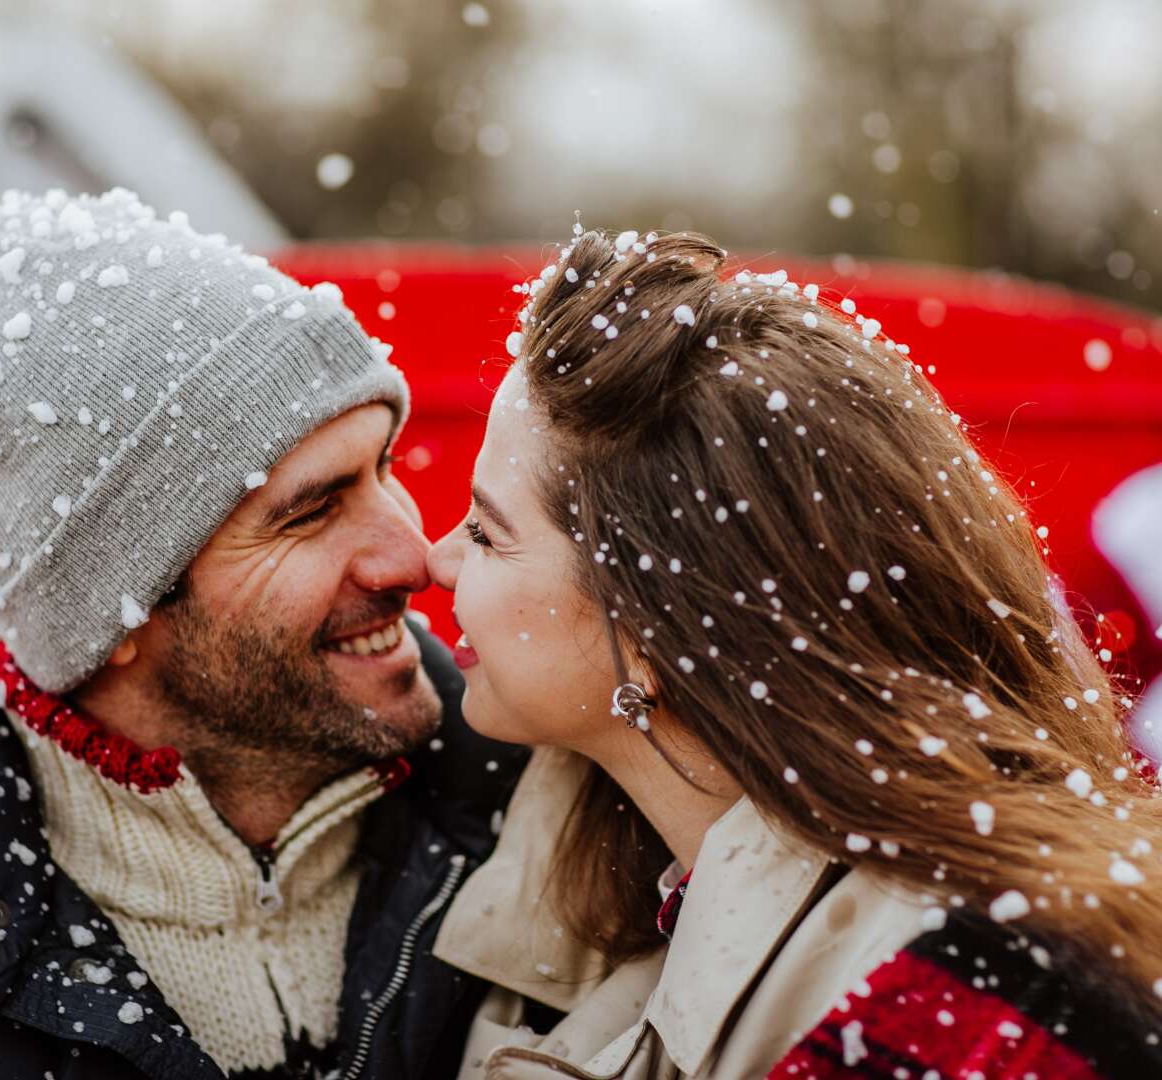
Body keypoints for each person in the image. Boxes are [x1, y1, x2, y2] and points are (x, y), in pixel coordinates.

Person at [0, 188, 523, 1080]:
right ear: (114, 618)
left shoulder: (544, 815)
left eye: (383, 467)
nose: (415, 556)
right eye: (311, 512)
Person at [425, 228, 1162, 1078]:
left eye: (486, 531)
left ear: (657, 625)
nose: (435, 561)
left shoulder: (964, 1016)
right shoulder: (614, 885)